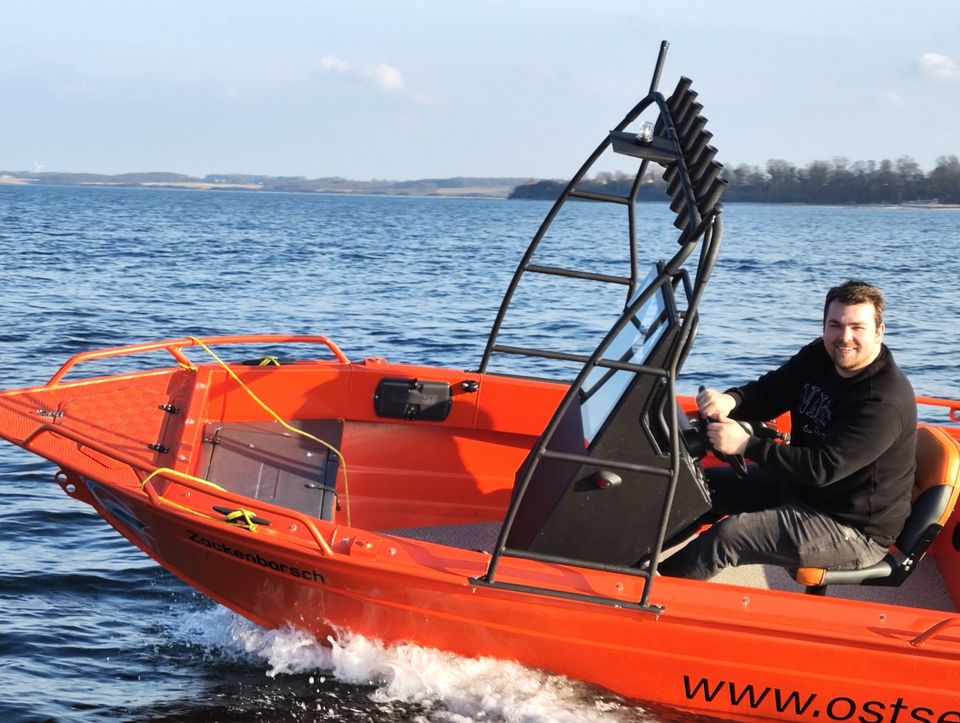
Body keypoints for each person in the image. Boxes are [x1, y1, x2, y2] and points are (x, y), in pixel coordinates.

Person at [658, 279, 917, 580]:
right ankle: (626, 562)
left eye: (857, 327)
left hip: (851, 526)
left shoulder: (882, 401)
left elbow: (822, 468)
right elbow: (771, 391)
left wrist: (746, 445)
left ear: (879, 332)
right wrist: (731, 400)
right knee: (701, 488)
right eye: (835, 325)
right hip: (800, 488)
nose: (844, 337)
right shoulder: (820, 354)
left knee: (729, 536)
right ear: (824, 327)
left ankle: (643, 599)